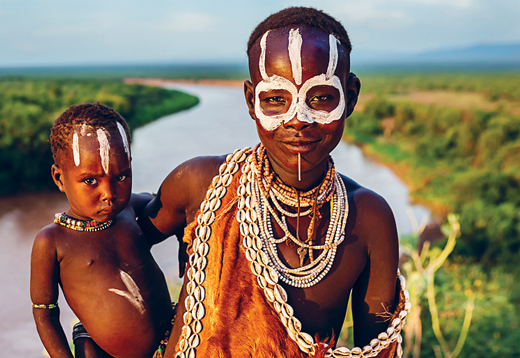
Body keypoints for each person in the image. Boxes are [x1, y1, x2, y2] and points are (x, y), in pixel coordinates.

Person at [139, 7, 410, 358]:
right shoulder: (201, 186)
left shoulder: (370, 218)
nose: (298, 119)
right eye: (276, 99)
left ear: (351, 96)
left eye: (321, 97)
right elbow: (109, 242)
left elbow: (378, 350)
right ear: (252, 101)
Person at [30, 103, 174, 358]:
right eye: (90, 181)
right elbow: (44, 310)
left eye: (121, 176)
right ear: (59, 178)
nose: (109, 194)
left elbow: (171, 202)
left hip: (176, 338)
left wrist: (188, 236)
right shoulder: (52, 241)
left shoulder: (129, 208)